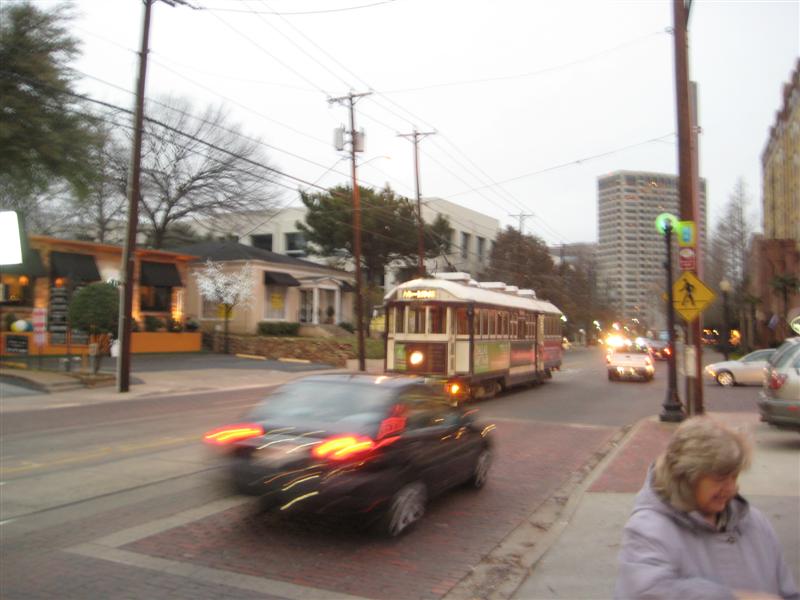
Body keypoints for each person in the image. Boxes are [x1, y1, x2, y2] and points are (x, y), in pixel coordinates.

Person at [615, 417, 799, 600]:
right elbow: (645, 592)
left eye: (734, 477)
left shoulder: (754, 523)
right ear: (686, 478)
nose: (731, 488)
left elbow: (787, 592)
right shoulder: (649, 529)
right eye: (720, 479)